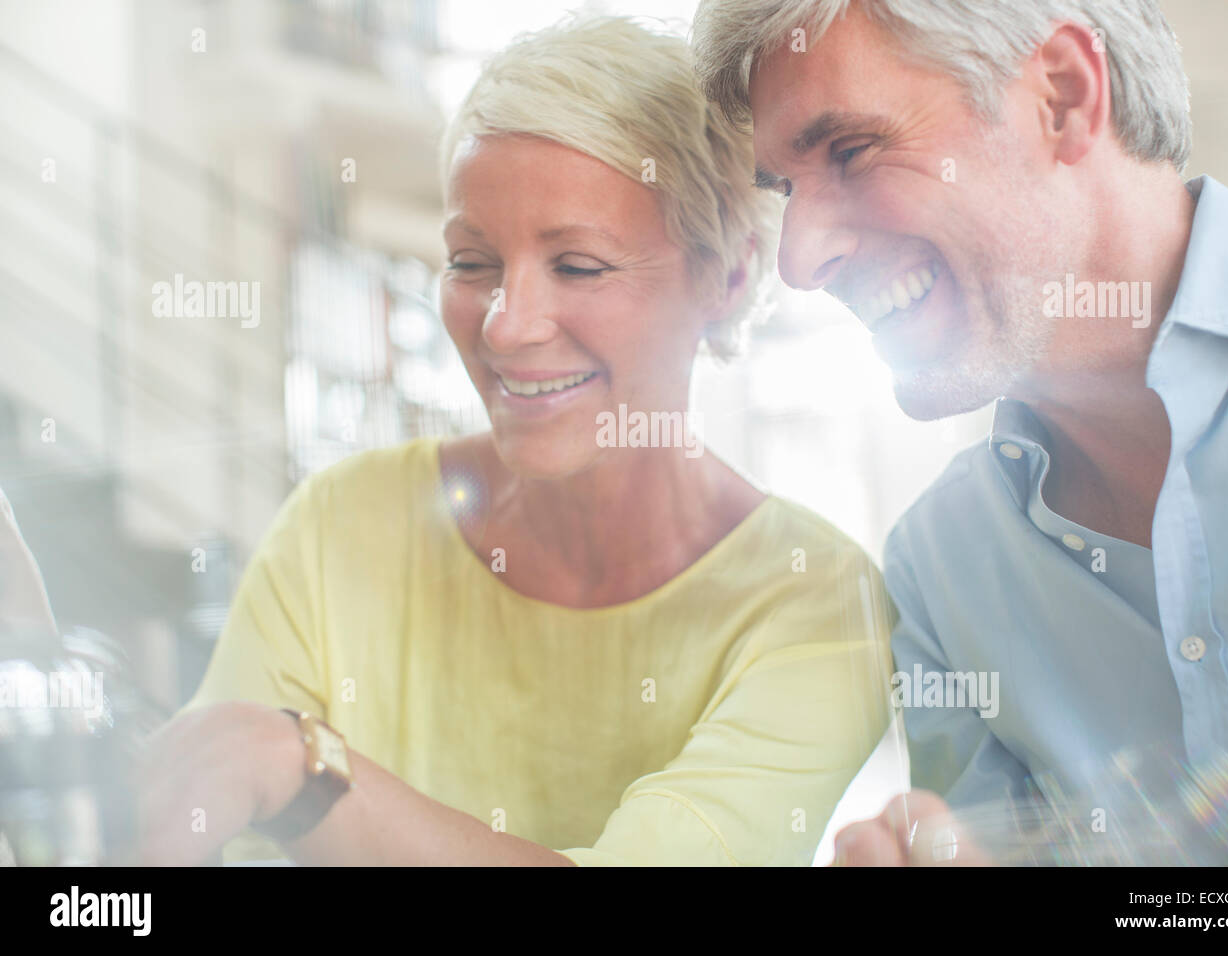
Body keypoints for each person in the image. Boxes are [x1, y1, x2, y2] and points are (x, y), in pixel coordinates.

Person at [132, 16, 896, 866]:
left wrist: (299, 768)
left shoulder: (818, 603)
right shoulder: (339, 524)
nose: (505, 325)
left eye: (578, 265)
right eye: (472, 262)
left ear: (730, 273)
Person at [692, 0, 1228, 864]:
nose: (797, 259)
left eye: (852, 151)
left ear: (1063, 98)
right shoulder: (940, 571)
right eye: (785, 189)